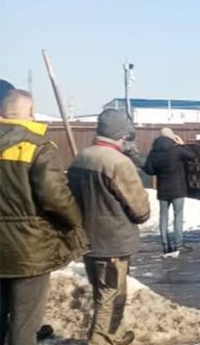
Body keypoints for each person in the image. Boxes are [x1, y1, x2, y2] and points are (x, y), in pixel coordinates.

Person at [0, 90, 88, 345]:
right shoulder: (38, 147)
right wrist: (75, 220)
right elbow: (55, 197)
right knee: (24, 322)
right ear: (30, 112)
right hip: (29, 249)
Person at [68, 109, 150, 345]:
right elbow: (141, 210)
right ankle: (101, 340)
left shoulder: (81, 158)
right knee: (111, 296)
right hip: (113, 242)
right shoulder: (118, 163)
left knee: (102, 291)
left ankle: (113, 334)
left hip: (89, 239)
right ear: (122, 134)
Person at [144, 128, 194, 254]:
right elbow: (192, 156)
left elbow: (149, 171)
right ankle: (178, 244)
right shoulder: (177, 150)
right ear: (172, 137)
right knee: (178, 216)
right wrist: (182, 144)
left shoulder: (153, 153)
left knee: (163, 217)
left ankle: (165, 245)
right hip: (177, 190)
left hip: (163, 190)